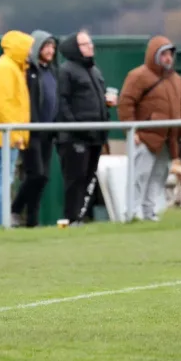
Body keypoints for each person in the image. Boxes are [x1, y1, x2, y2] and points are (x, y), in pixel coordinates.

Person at [118, 35, 181, 222]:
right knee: (139, 176)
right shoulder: (138, 76)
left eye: (170, 54)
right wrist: (131, 130)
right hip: (145, 137)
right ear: (154, 55)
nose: (168, 58)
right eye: (164, 54)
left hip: (168, 139)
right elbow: (126, 103)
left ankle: (149, 212)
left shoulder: (177, 80)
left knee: (159, 177)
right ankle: (131, 213)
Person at [55, 29, 116, 225]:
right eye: (85, 44)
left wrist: (106, 110)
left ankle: (82, 218)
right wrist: (74, 127)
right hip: (75, 138)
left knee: (89, 179)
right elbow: (62, 102)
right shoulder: (66, 70)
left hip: (95, 136)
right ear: (75, 48)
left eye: (90, 43)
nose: (90, 47)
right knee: (75, 180)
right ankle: (71, 220)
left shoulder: (95, 71)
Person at [0, 30, 34, 228]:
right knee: (2, 181)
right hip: (3, 138)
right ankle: (0, 224)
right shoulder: (6, 68)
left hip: (5, 137)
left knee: (4, 180)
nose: (31, 54)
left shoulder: (13, 67)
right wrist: (17, 134)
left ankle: (2, 223)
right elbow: (6, 105)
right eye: (29, 49)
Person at [11, 30, 58, 228]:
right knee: (36, 174)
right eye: (46, 46)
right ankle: (15, 208)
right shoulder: (28, 71)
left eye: (53, 47)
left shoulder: (52, 71)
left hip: (49, 132)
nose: (50, 50)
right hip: (32, 132)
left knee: (43, 177)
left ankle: (32, 221)